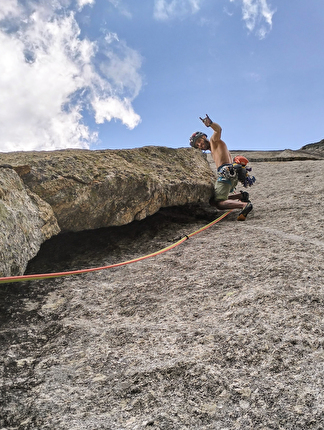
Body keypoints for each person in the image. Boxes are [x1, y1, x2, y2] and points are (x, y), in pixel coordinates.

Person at [189, 114, 255, 221]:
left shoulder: (214, 141)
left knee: (219, 204)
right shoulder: (213, 150)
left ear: (203, 137)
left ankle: (244, 205)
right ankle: (241, 196)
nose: (200, 145)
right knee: (213, 201)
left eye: (199, 141)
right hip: (229, 174)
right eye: (197, 145)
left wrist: (210, 124)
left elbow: (218, 130)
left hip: (226, 172)